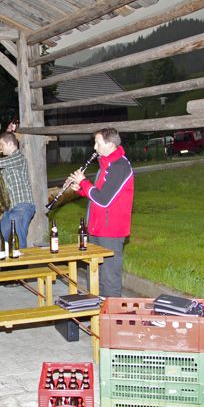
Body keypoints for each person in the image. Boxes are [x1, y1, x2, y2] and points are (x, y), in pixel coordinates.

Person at [68, 127, 134, 297]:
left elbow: (103, 199)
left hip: (110, 232)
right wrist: (80, 189)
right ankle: (96, 312)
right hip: (97, 228)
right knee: (94, 277)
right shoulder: (106, 164)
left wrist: (84, 182)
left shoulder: (119, 166)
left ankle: (111, 313)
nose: (95, 147)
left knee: (109, 280)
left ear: (110, 144)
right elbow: (98, 193)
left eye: (98, 143)